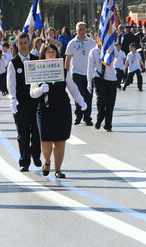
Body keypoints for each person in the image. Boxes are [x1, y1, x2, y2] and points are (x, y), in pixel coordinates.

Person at [29, 44, 87, 178]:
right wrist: (40, 89)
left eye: (53, 52)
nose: (51, 54)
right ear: (43, 55)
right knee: (46, 140)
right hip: (45, 110)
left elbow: (73, 88)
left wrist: (80, 101)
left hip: (62, 109)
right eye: (48, 52)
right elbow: (32, 93)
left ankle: (58, 169)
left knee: (61, 141)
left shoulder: (63, 71)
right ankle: (47, 161)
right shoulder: (36, 70)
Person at [7, 32, 42, 172]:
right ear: (17, 44)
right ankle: (24, 161)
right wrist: (13, 99)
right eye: (20, 43)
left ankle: (36, 154)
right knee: (23, 133)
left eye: (25, 42)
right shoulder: (13, 63)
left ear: (29, 43)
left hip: (35, 101)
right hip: (20, 103)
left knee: (37, 131)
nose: (22, 45)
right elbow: (11, 83)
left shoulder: (36, 59)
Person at [65, 22, 96, 126]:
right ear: (76, 30)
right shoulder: (72, 43)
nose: (82, 31)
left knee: (88, 95)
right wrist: (66, 73)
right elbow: (68, 58)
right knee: (79, 93)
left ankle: (87, 117)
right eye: (80, 29)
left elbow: (96, 56)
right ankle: (78, 115)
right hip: (77, 72)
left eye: (83, 29)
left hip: (89, 73)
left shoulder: (92, 42)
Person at [87, 41, 118, 132]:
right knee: (101, 100)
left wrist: (110, 48)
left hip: (111, 78)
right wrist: (89, 82)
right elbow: (90, 67)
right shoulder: (93, 51)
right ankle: (100, 117)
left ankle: (108, 125)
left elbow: (117, 56)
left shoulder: (111, 49)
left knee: (110, 103)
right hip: (98, 77)